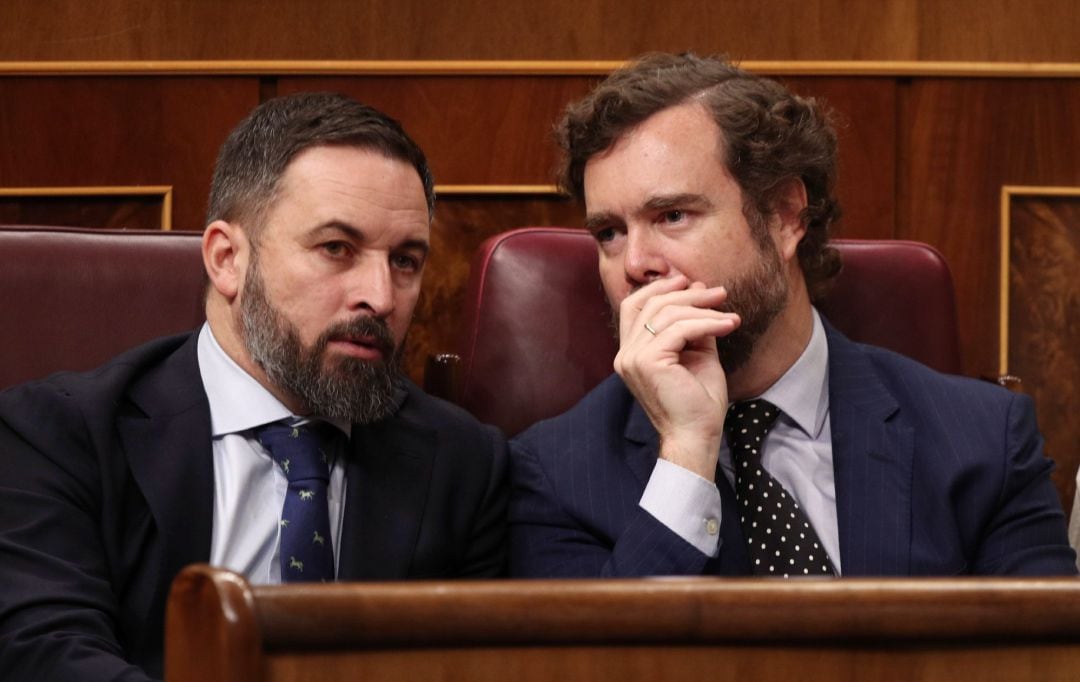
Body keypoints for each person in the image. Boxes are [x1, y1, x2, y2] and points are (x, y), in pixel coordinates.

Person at [0, 92, 507, 680]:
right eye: (336, 249)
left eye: (406, 261)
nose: (381, 296)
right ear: (227, 258)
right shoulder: (58, 437)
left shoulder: (463, 464)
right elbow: (44, 653)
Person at [509, 53, 1075, 578]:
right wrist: (686, 452)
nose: (634, 264)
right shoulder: (556, 473)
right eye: (609, 232)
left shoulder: (983, 441)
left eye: (673, 215)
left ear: (784, 215)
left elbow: (1041, 659)